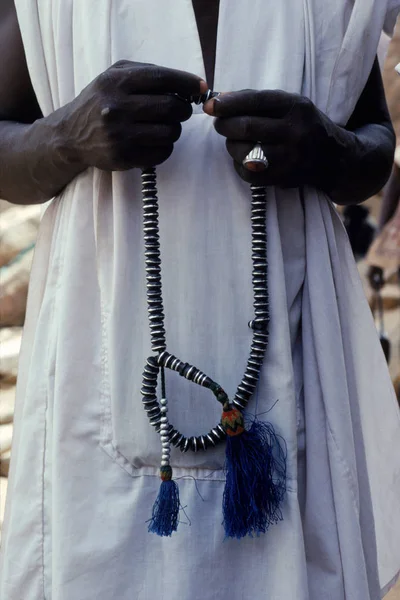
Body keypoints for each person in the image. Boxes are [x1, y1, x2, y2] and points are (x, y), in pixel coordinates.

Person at [0, 1, 400, 599]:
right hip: (92, 390)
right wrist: (67, 137)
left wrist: (328, 148)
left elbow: (373, 139)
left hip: (304, 374)